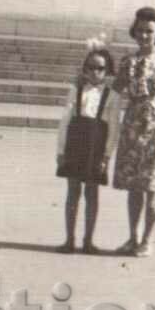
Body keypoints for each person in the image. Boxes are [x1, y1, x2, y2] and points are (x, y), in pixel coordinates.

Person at [113, 6, 155, 257]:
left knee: (152, 185)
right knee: (134, 186)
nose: (144, 36)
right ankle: (132, 237)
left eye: (149, 31)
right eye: (140, 31)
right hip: (132, 125)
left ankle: (147, 240)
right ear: (134, 32)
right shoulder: (128, 61)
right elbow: (114, 90)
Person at [55, 40, 121, 253]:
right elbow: (65, 120)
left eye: (100, 68)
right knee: (73, 191)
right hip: (76, 144)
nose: (95, 72)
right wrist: (61, 151)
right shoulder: (76, 90)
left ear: (108, 70)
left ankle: (88, 240)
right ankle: (69, 239)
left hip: (96, 146)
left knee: (91, 193)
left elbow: (113, 129)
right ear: (84, 69)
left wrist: (106, 156)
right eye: (90, 67)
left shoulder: (112, 96)